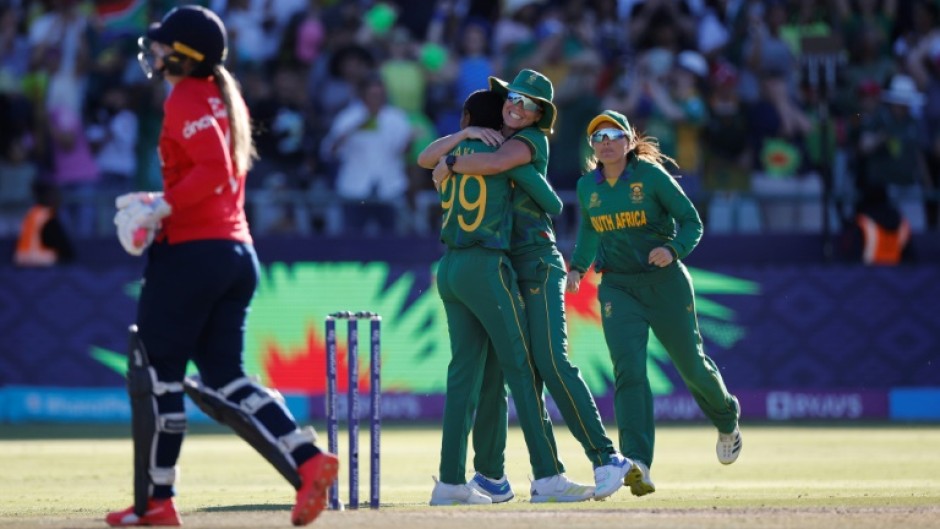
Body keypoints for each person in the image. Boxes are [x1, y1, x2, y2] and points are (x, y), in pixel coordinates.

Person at [105, 6, 336, 527]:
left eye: (165, 45)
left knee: (159, 376)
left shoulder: (186, 95)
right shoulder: (219, 96)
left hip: (191, 253)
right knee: (225, 378)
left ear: (184, 55)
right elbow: (212, 174)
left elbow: (211, 169)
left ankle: (156, 502)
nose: (156, 52)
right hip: (234, 251)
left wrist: (163, 207)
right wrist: (160, 198)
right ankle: (308, 459)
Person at [427, 69, 632, 503]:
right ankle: (492, 476)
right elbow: (528, 188)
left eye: (527, 104)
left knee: (546, 364)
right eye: (513, 99)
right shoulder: (488, 139)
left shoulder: (528, 141)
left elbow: (503, 171)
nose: (517, 107)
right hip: (500, 267)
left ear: (541, 114)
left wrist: (449, 162)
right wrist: (461, 149)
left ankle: (602, 459)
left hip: (534, 264)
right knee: (498, 376)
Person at [565, 110, 743, 497]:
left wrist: (673, 249)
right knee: (628, 371)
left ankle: (727, 418)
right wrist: (578, 267)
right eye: (599, 136)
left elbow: (692, 222)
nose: (606, 141)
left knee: (691, 365)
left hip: (665, 284)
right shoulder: (587, 187)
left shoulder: (650, 176)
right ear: (592, 146)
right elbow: (590, 230)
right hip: (617, 287)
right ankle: (637, 462)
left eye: (614, 134)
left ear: (629, 142)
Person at [13, 180, 74, 266]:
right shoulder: (48, 219)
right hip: (41, 264)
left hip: (22, 261)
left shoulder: (32, 213)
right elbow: (66, 252)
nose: (59, 199)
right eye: (55, 195)